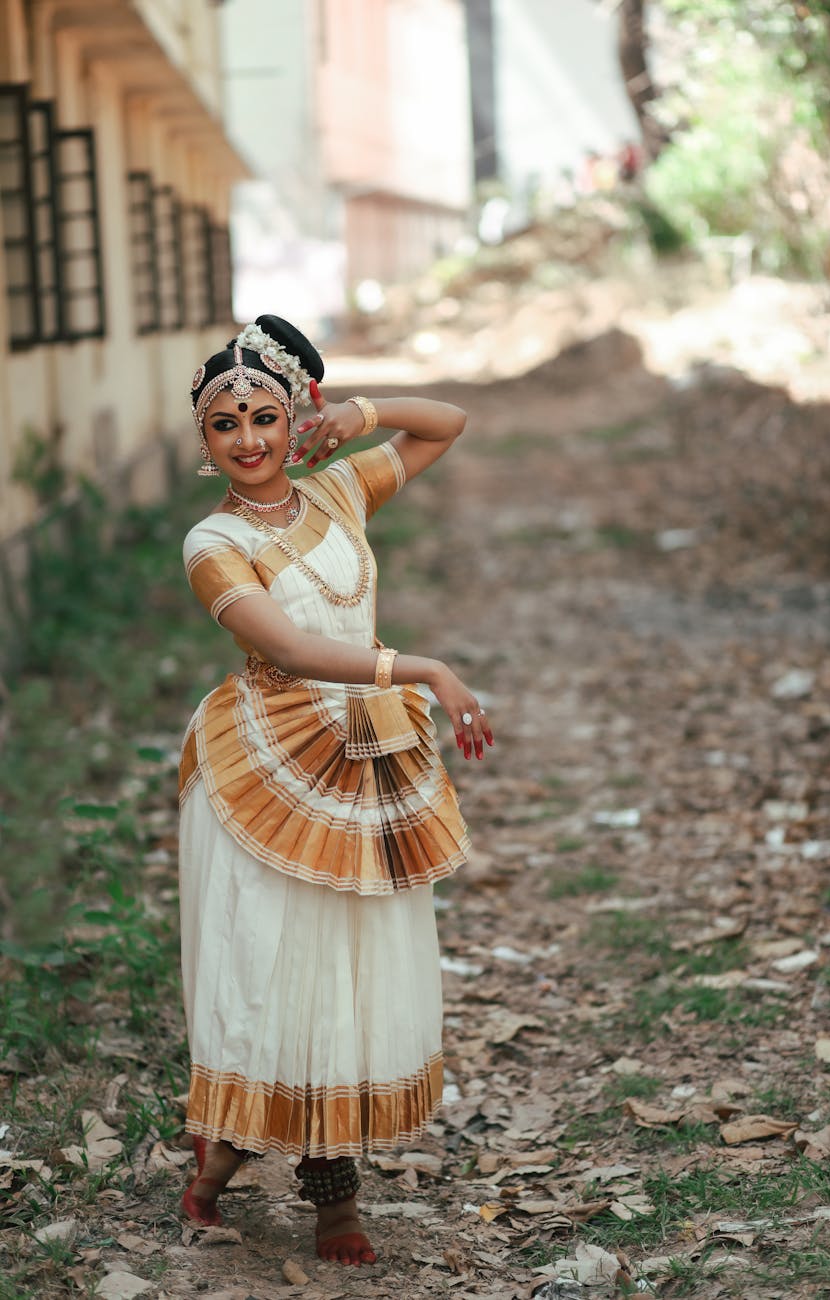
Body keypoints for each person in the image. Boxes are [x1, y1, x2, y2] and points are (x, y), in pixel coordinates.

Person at [177, 315, 493, 1267]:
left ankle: (330, 1195)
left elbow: (446, 422)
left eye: (264, 417)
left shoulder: (341, 490)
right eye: (224, 426)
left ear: (293, 415)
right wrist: (423, 667)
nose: (247, 441)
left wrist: (355, 414)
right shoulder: (211, 540)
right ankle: (220, 1161)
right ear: (204, 442)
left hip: (367, 752)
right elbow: (287, 648)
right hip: (267, 761)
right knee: (278, 965)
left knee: (354, 964)